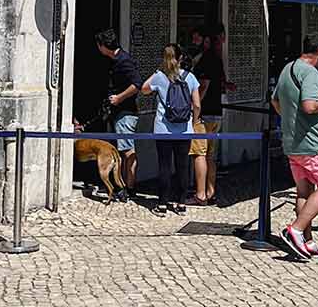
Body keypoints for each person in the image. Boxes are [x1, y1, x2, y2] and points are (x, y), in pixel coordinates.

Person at [271, 32, 318, 261]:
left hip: (292, 142)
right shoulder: (310, 72)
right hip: (313, 142)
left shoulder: (287, 68)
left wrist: (290, 120)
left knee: (303, 191)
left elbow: (275, 100)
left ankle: (307, 241)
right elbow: (310, 107)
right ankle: (297, 230)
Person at [143, 43, 201, 216]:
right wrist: (194, 121)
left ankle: (162, 204)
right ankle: (181, 203)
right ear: (181, 57)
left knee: (164, 165)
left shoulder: (160, 76)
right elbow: (197, 104)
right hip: (184, 129)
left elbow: (144, 89)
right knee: (183, 166)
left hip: (163, 129)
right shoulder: (190, 77)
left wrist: (157, 71)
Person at [91, 29, 140, 199]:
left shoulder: (124, 61)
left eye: (99, 45)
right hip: (118, 112)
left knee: (127, 151)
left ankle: (129, 188)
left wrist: (119, 98)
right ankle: (122, 186)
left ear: (104, 46)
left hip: (125, 113)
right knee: (122, 150)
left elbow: (136, 84)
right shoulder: (114, 60)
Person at [191, 35, 225, 205]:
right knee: (210, 155)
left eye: (196, 39)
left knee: (199, 154)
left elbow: (204, 85)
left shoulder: (206, 60)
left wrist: (195, 108)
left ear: (206, 41)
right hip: (217, 112)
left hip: (204, 115)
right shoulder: (218, 60)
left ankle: (201, 194)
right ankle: (211, 191)